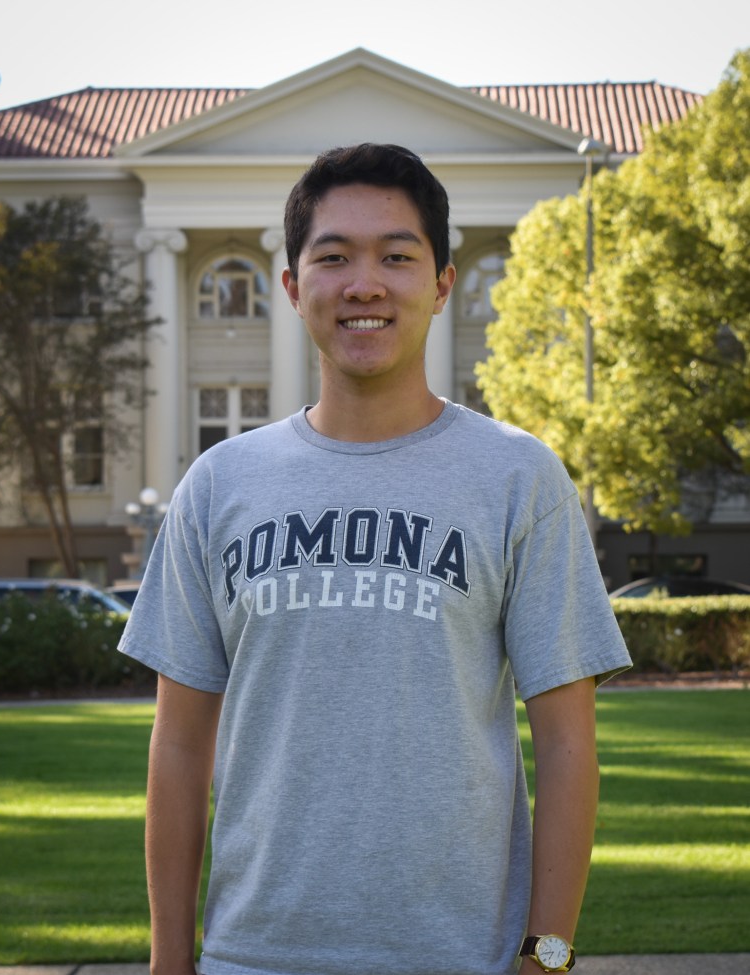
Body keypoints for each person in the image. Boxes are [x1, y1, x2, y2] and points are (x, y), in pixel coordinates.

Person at [119, 142, 631, 975]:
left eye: (397, 256)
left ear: (440, 284)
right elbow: (178, 745)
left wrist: (548, 957)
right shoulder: (218, 485)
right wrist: (170, 962)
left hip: (463, 957)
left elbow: (568, 741)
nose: (365, 284)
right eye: (334, 257)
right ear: (292, 287)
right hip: (254, 958)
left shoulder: (518, 475)